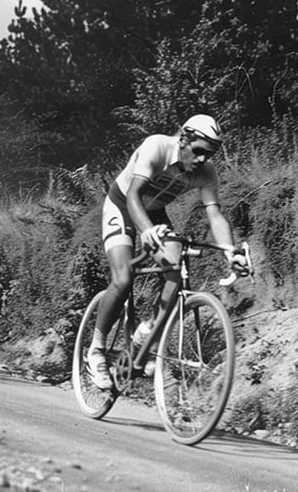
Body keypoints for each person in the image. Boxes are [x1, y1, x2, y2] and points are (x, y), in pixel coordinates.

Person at [87, 114, 250, 390]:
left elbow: (214, 213)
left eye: (208, 155)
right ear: (184, 138)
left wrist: (229, 251)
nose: (201, 160)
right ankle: (96, 350)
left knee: (175, 274)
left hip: (154, 212)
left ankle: (144, 336)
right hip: (123, 205)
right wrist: (146, 230)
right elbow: (133, 195)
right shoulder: (157, 147)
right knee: (124, 278)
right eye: (198, 151)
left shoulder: (206, 172)